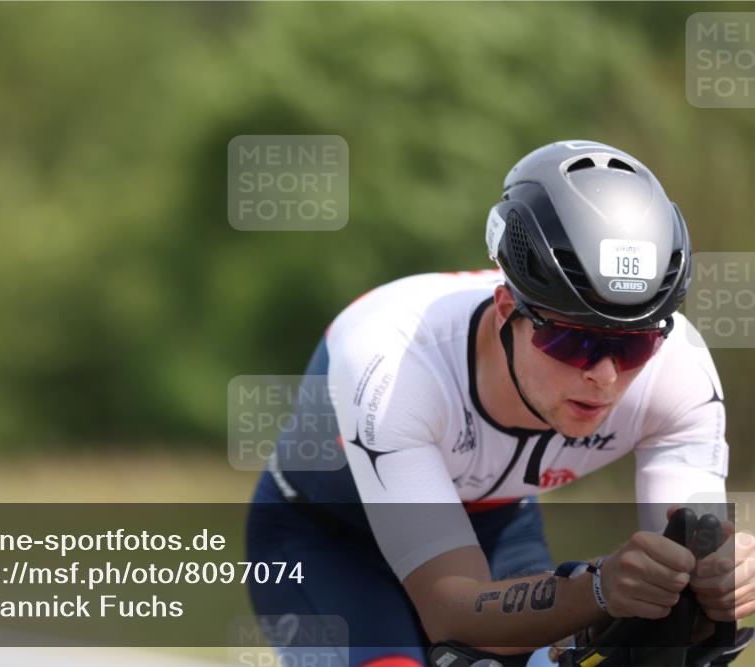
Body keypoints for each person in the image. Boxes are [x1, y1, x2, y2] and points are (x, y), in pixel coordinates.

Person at [245, 140, 755, 667]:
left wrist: (720, 583)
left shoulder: (679, 367)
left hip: (494, 524)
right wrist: (599, 589)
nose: (604, 375)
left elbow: (687, 575)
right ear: (507, 307)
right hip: (329, 543)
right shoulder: (394, 364)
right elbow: (451, 611)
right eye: (573, 341)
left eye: (635, 345)